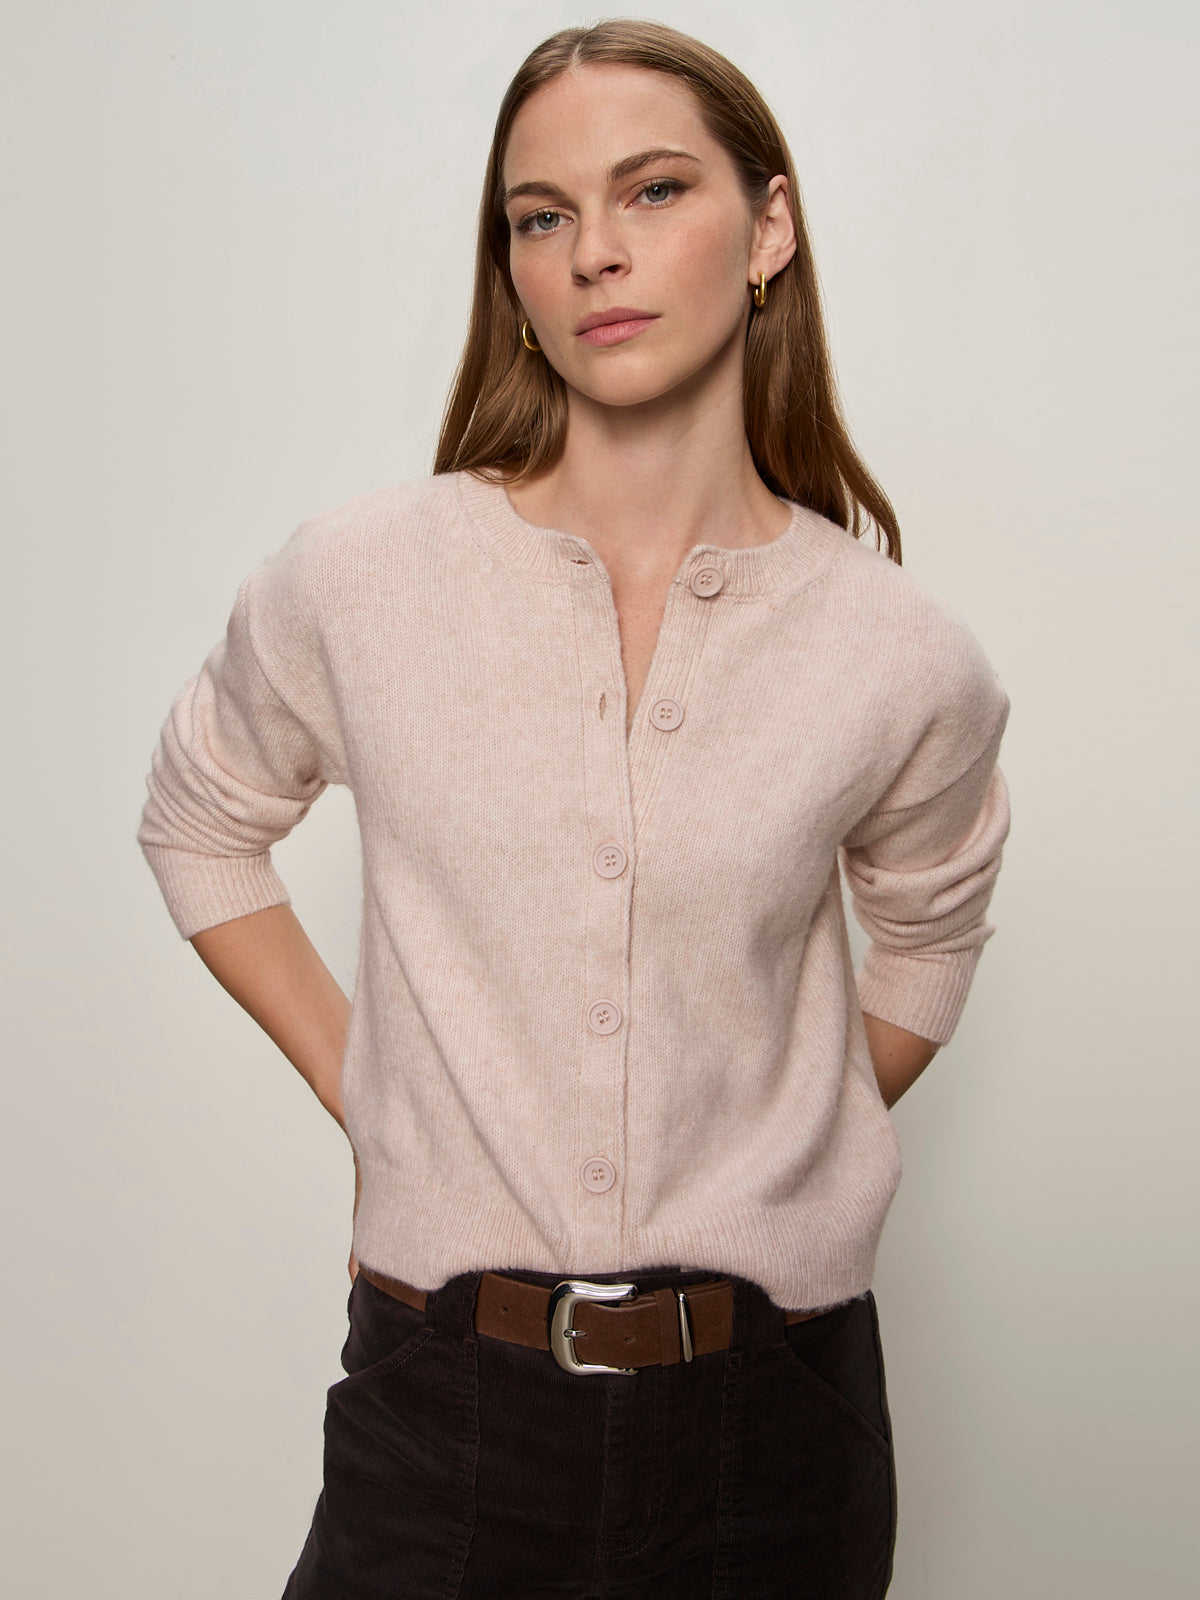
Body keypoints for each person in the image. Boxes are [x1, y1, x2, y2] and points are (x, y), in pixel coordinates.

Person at [137, 18, 1011, 1600]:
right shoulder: (363, 579)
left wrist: (773, 1121)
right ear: (515, 274)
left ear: (768, 228)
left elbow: (931, 937)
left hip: (778, 1421)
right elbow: (199, 820)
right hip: (442, 1407)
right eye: (542, 216)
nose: (596, 252)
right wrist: (384, 1096)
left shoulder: (900, 654)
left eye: (654, 191)